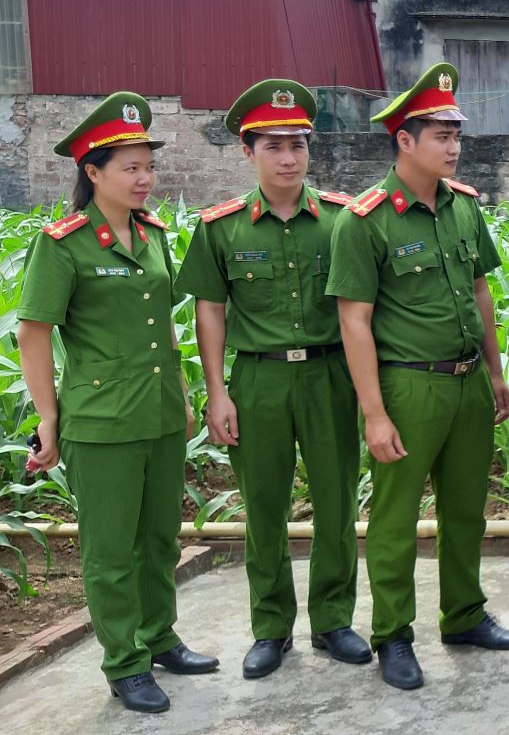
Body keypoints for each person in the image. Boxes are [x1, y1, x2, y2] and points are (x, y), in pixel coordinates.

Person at [17, 92, 218, 714]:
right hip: (100, 421)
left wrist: (182, 397)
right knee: (110, 550)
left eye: (147, 166)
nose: (144, 179)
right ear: (92, 173)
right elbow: (33, 333)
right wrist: (48, 420)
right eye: (129, 167)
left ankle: (159, 637)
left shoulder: (154, 235)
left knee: (160, 539)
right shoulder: (65, 244)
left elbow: (164, 328)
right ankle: (124, 662)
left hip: (158, 414)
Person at [326, 63, 509, 691]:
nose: (454, 146)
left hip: (468, 383)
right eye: (440, 135)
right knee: (394, 518)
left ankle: (464, 615)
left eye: (456, 134)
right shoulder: (365, 220)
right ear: (404, 140)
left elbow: (481, 293)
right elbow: (354, 321)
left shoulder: (463, 209)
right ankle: (393, 634)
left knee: (467, 510)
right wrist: (375, 412)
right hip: (409, 386)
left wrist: (496, 373)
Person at [175, 79, 369, 679]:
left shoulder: (341, 221)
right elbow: (210, 309)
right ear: (247, 151)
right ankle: (270, 628)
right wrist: (216, 391)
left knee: (336, 503)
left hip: (329, 375)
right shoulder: (221, 228)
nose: (288, 158)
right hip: (256, 380)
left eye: (298, 145)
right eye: (273, 147)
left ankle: (334, 621)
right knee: (263, 508)